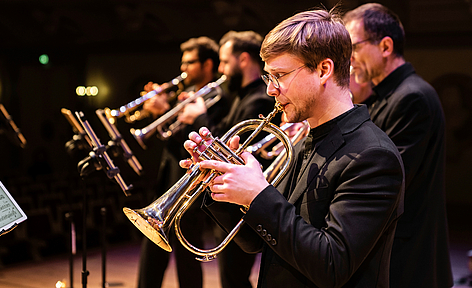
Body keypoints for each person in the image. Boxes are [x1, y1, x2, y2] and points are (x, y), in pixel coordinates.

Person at [180, 8, 405, 288]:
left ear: (324, 69)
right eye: (268, 77)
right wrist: (223, 184)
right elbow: (257, 240)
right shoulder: (303, 140)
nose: (271, 90)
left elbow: (332, 265)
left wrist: (258, 194)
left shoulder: (373, 156)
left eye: (280, 75)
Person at [344, 4, 453, 288]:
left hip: (411, 259)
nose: (349, 59)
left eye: (353, 47)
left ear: (386, 46)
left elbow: (386, 180)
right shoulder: (383, 96)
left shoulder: (411, 97)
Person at [178, 30, 279, 288]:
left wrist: (200, 117)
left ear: (243, 60)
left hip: (245, 200)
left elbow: (225, 143)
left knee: (234, 277)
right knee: (229, 277)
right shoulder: (239, 97)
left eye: (224, 61)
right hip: (231, 197)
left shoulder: (258, 99)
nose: (221, 69)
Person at [137, 36, 227, 288]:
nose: (183, 68)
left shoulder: (217, 98)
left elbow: (208, 138)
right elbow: (170, 136)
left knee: (187, 257)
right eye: (182, 62)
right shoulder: (182, 95)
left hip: (190, 185)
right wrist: (163, 113)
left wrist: (180, 115)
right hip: (167, 180)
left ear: (208, 64)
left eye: (190, 62)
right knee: (151, 251)